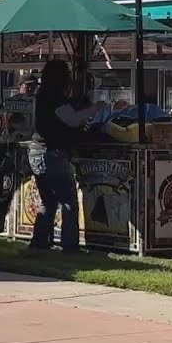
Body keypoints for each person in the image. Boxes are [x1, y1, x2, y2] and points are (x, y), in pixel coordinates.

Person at [29, 59, 105, 253]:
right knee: (68, 201)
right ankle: (70, 245)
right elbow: (72, 120)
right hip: (52, 153)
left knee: (48, 201)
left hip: (37, 151)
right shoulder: (55, 98)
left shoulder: (41, 96)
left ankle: (40, 243)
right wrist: (95, 109)